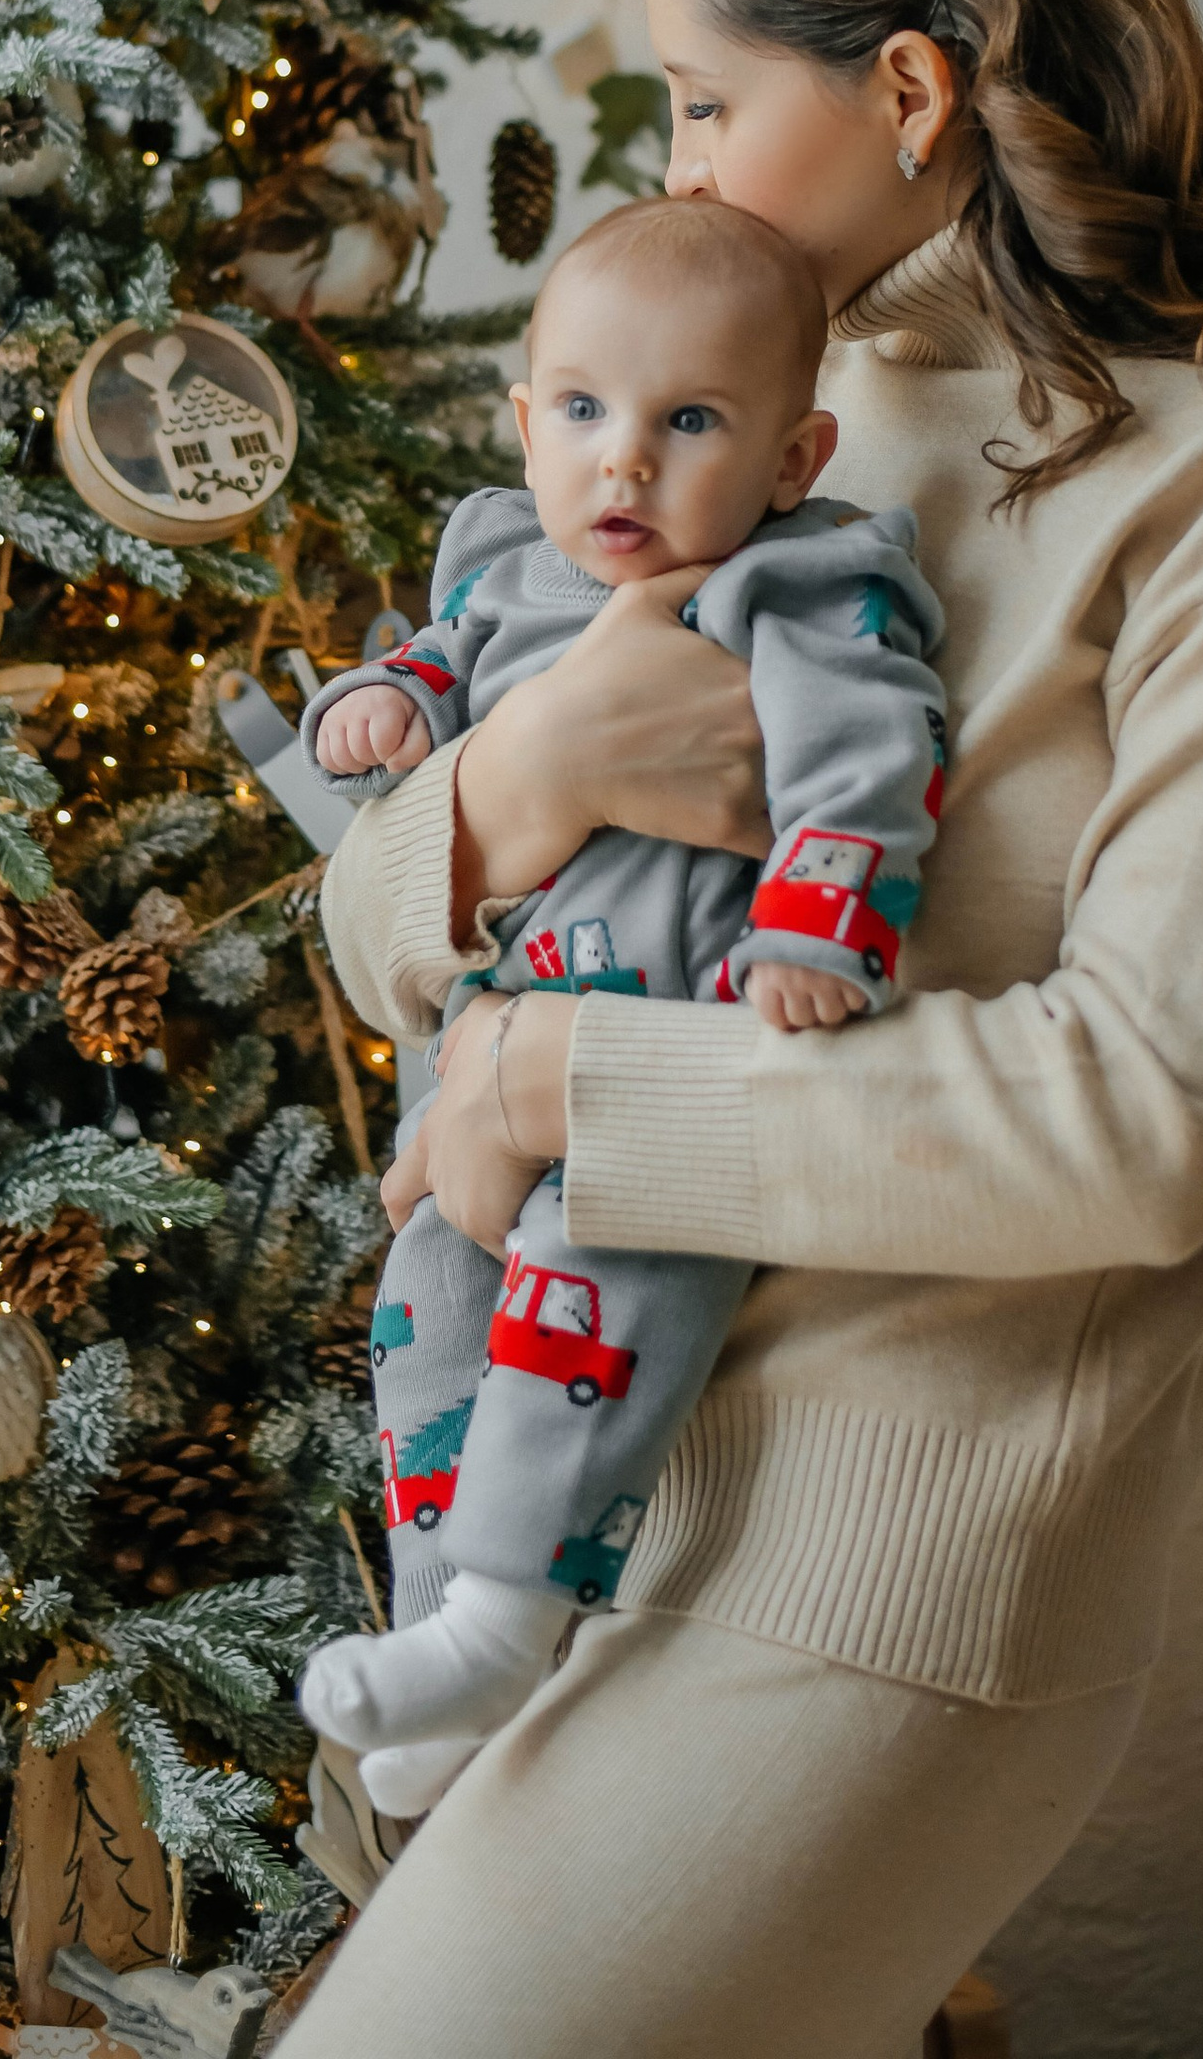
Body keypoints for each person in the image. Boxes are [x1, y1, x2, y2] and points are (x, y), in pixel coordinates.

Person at [284, 0, 1203, 2059]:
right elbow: (360, 935)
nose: (673, 171)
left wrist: (553, 1070)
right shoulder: (689, 406)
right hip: (544, 1512)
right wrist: (513, 782)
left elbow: (1152, 1113)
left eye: (701, 102)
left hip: (872, 1572)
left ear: (912, 86)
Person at [295, 197, 945, 1817]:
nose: (624, 466)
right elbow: (432, 677)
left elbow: (869, 767)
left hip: (668, 1077)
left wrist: (817, 927)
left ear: (794, 458)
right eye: (581, 414)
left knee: (601, 1277)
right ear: (522, 425)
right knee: (429, 1305)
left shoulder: (800, 586)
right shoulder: (508, 567)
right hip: (479, 1091)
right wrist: (378, 706)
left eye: (690, 423)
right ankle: (453, 1627)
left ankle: (516, 1606)